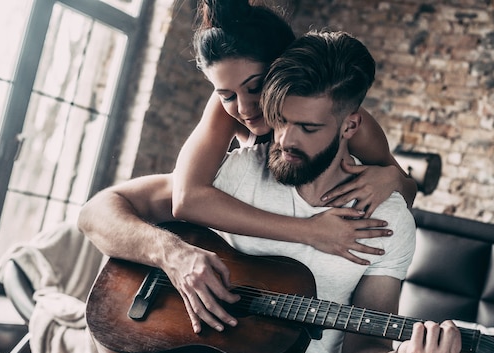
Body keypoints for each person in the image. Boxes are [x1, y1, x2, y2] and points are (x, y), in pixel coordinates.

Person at [79, 30, 471, 353]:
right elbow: (97, 212)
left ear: (351, 126)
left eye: (308, 128)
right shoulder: (233, 174)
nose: (283, 139)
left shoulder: (387, 218)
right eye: (279, 119)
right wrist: (174, 253)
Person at [171, 0, 419, 266]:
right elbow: (186, 199)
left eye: (255, 87)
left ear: (282, 69)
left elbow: (408, 192)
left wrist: (393, 178)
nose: (243, 108)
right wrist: (309, 231)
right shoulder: (224, 110)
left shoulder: (354, 127)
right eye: (227, 95)